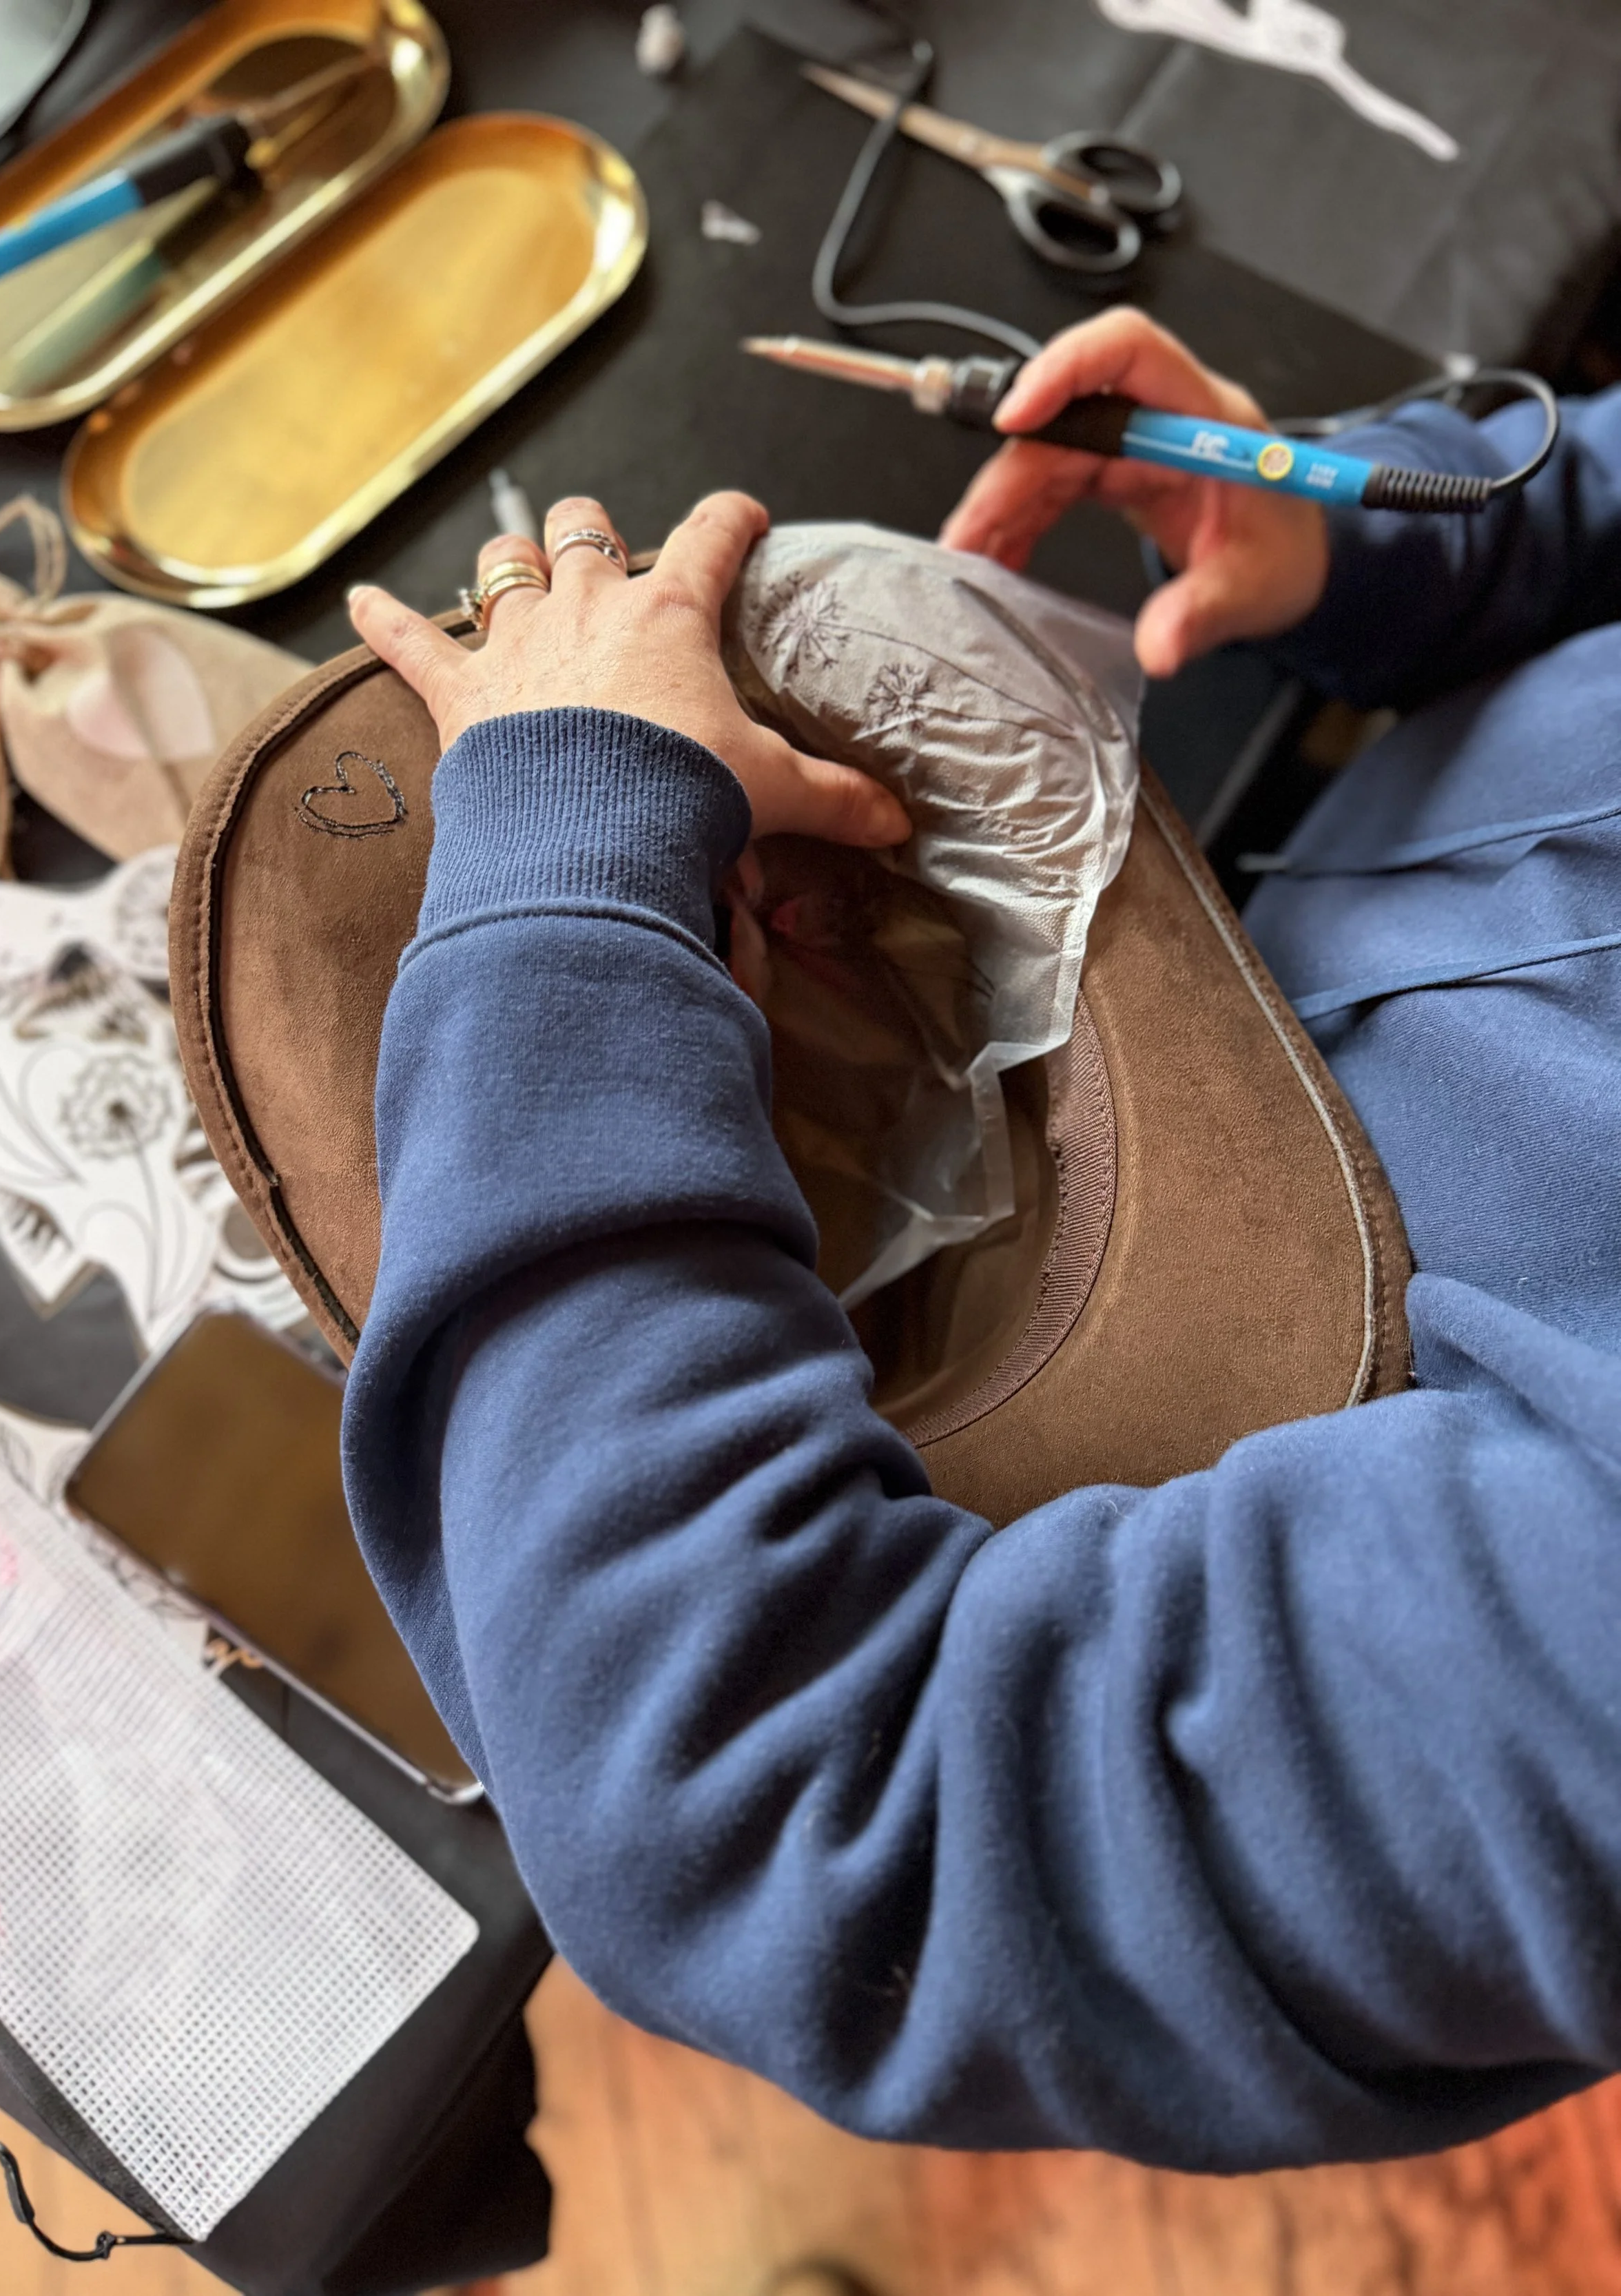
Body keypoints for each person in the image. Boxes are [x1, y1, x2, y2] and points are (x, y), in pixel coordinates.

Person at [338, 309, 1621, 2169]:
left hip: (1204, 1391)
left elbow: (807, 1819)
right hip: (1258, 977)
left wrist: (565, 857)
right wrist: (1378, 526)